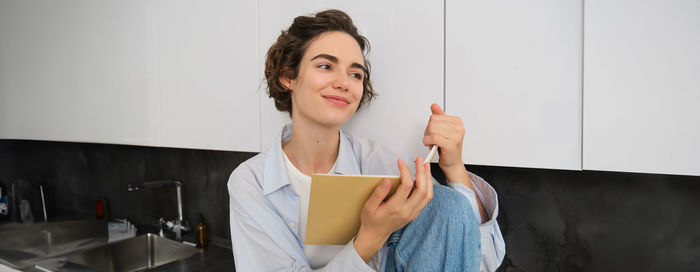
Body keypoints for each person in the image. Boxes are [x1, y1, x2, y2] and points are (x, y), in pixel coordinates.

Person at [228, 9, 505, 271]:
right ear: (288, 76)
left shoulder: (382, 166)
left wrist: (455, 168)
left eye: (355, 74)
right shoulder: (251, 182)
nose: (343, 82)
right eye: (325, 66)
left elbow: (478, 261)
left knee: (448, 206)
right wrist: (372, 234)